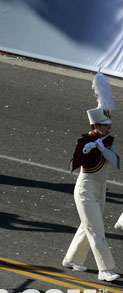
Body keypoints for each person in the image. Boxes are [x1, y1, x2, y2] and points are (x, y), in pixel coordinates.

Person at [62, 73, 120, 282]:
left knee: (88, 227)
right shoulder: (84, 141)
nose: (109, 128)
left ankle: (71, 258)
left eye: (109, 125)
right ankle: (105, 269)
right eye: (105, 126)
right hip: (85, 191)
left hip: (100, 190)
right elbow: (72, 165)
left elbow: (117, 162)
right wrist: (86, 150)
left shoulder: (107, 141)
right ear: (96, 125)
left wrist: (103, 148)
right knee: (97, 230)